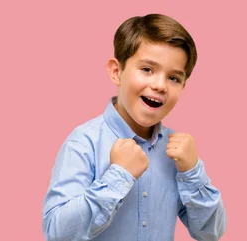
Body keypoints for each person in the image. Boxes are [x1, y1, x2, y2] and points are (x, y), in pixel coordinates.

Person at [42, 13, 226, 241]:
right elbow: (57, 233)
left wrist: (192, 172)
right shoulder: (83, 143)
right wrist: (118, 176)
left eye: (174, 78)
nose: (160, 85)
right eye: (147, 69)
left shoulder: (177, 154)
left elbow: (211, 233)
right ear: (116, 71)